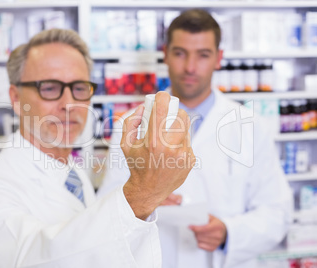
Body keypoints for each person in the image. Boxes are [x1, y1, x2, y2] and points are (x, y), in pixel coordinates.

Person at [0, 28, 195, 267]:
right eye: (49, 88)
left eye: (80, 88)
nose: (69, 104)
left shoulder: (72, 171)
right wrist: (141, 196)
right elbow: (28, 258)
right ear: (16, 98)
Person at [98, 9, 293, 268]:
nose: (190, 67)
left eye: (202, 55)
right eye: (180, 53)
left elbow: (277, 211)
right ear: (165, 54)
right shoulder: (131, 125)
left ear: (218, 58)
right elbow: (105, 210)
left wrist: (228, 232)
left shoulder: (251, 126)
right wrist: (141, 199)